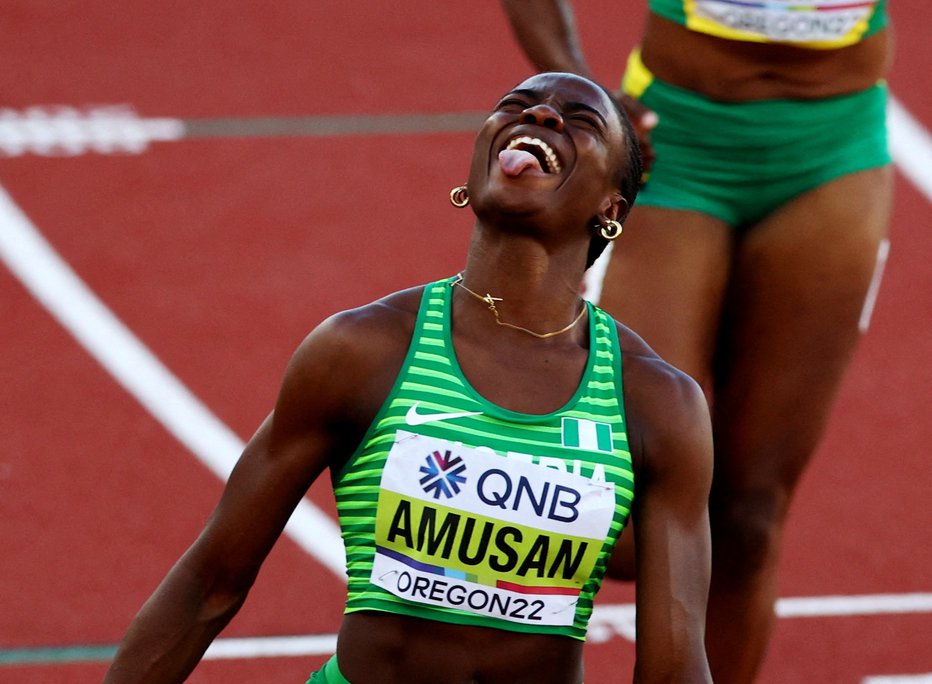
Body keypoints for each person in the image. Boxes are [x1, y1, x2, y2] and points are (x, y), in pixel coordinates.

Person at [102, 72, 714, 683]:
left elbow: (674, 668)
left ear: (613, 206)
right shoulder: (363, 351)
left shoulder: (655, 402)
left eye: (580, 120)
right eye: (516, 106)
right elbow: (208, 587)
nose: (543, 117)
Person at [499, 2, 894, 682]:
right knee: (614, 510)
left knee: (748, 519)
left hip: (834, 153)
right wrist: (582, 97)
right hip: (674, 148)